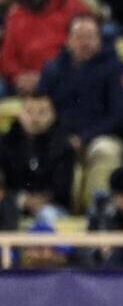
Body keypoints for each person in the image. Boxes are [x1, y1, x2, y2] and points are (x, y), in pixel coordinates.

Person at [37, 13, 123, 211]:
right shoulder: (52, 70)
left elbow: (122, 113)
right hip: (61, 137)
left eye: (90, 36)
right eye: (79, 37)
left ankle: (98, 212)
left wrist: (85, 137)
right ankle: (53, 210)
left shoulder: (116, 68)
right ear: (68, 40)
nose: (84, 43)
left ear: (99, 39)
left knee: (104, 151)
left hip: (102, 136)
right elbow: (41, 106)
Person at [0, 0, 89, 96]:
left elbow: (83, 51)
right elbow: (7, 56)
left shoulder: (74, 8)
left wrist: (47, 77)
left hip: (64, 80)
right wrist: (17, 77)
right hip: (22, 83)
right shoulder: (15, 14)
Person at [0, 93, 75, 223]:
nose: (35, 118)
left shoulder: (64, 146)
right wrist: (22, 200)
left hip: (52, 207)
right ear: (20, 114)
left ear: (52, 115)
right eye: (29, 112)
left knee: (47, 215)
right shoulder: (5, 144)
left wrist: (43, 200)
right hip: (12, 205)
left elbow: (63, 188)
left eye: (42, 112)